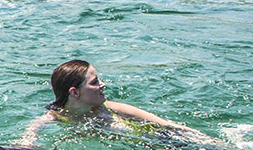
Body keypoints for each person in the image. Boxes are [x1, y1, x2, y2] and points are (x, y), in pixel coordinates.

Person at [20, 59, 216, 145]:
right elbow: (29, 136)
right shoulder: (55, 117)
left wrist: (210, 141)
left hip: (163, 141)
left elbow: (167, 125)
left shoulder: (110, 108)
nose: (103, 85)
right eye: (95, 82)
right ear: (75, 92)